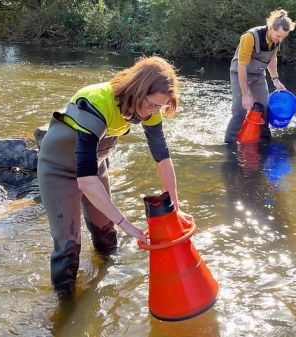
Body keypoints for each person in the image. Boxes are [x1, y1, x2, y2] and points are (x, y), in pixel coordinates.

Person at [38, 56, 193, 292]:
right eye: (151, 104)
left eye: (159, 107)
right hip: (59, 169)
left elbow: (161, 156)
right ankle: (64, 308)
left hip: (94, 164)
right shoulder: (97, 101)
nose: (152, 112)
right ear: (137, 90)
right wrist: (127, 224)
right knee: (68, 248)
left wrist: (176, 207)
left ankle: (106, 286)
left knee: (106, 234)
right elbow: (86, 180)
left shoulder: (152, 109)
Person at [224, 9, 296, 143]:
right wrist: (246, 95)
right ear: (270, 28)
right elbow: (242, 66)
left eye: (283, 37)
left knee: (264, 106)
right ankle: (229, 142)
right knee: (240, 109)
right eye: (278, 36)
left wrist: (275, 80)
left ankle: (263, 139)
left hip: (258, 74)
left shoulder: (276, 40)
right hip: (239, 72)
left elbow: (272, 59)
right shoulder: (250, 37)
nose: (280, 40)